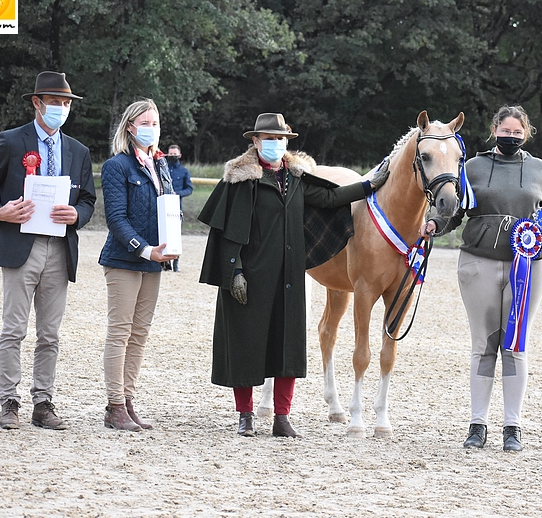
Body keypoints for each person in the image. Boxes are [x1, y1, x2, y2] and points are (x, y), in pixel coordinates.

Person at [197, 113, 390, 438]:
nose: (275, 145)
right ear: (255, 141)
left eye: (280, 139)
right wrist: (235, 273)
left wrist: (369, 185)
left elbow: (331, 198)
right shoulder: (240, 180)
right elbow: (226, 232)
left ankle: (282, 417)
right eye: (268, 139)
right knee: (245, 344)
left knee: (285, 347)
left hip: (286, 277)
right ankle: (245, 414)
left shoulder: (296, 178)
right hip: (248, 278)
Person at [420, 104, 542, 451]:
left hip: (528, 266)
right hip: (478, 263)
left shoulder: (540, 169)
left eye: (517, 133)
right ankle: (477, 424)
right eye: (505, 132)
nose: (511, 137)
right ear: (494, 131)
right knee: (483, 345)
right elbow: (455, 212)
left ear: (526, 133)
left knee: (516, 345)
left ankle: (512, 427)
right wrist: (435, 224)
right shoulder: (472, 167)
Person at [0, 71, 96, 430]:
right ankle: (8, 401)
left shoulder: (78, 151)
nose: (61, 108)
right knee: (14, 329)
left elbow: (88, 198)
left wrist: (79, 215)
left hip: (59, 247)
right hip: (19, 245)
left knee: (50, 334)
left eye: (66, 103)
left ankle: (43, 402)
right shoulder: (12, 142)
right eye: (55, 102)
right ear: (36, 103)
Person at [98, 99, 179, 431]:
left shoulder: (161, 165)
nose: (152, 128)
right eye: (145, 122)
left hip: (155, 261)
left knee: (140, 334)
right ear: (130, 127)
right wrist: (145, 250)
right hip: (124, 259)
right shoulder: (117, 166)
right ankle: (114, 404)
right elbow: (116, 219)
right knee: (120, 332)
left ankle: (128, 400)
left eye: (155, 122)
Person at [166, 144, 193, 272]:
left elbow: (189, 189)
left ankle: (176, 263)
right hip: (162, 205)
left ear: (179, 155)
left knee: (175, 236)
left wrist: (178, 194)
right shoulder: (162, 169)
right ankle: (165, 263)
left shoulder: (184, 171)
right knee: (162, 234)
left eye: (174, 154)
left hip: (176, 207)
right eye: (170, 154)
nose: (172, 156)